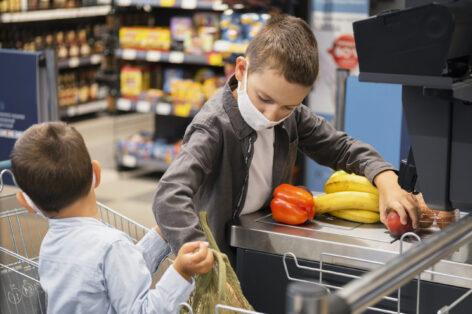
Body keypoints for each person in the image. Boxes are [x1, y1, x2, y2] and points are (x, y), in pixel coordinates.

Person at [152, 15, 419, 259]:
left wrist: (386, 179)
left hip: (256, 248)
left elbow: (341, 148)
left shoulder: (292, 117)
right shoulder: (213, 127)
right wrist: (198, 250)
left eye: (287, 106)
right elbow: (169, 196)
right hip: (216, 258)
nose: (271, 115)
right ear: (242, 70)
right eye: (264, 99)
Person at [11, 122, 214, 314]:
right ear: (97, 174)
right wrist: (180, 273)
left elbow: (118, 274)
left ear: (26, 202)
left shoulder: (50, 245)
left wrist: (161, 235)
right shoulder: (112, 245)